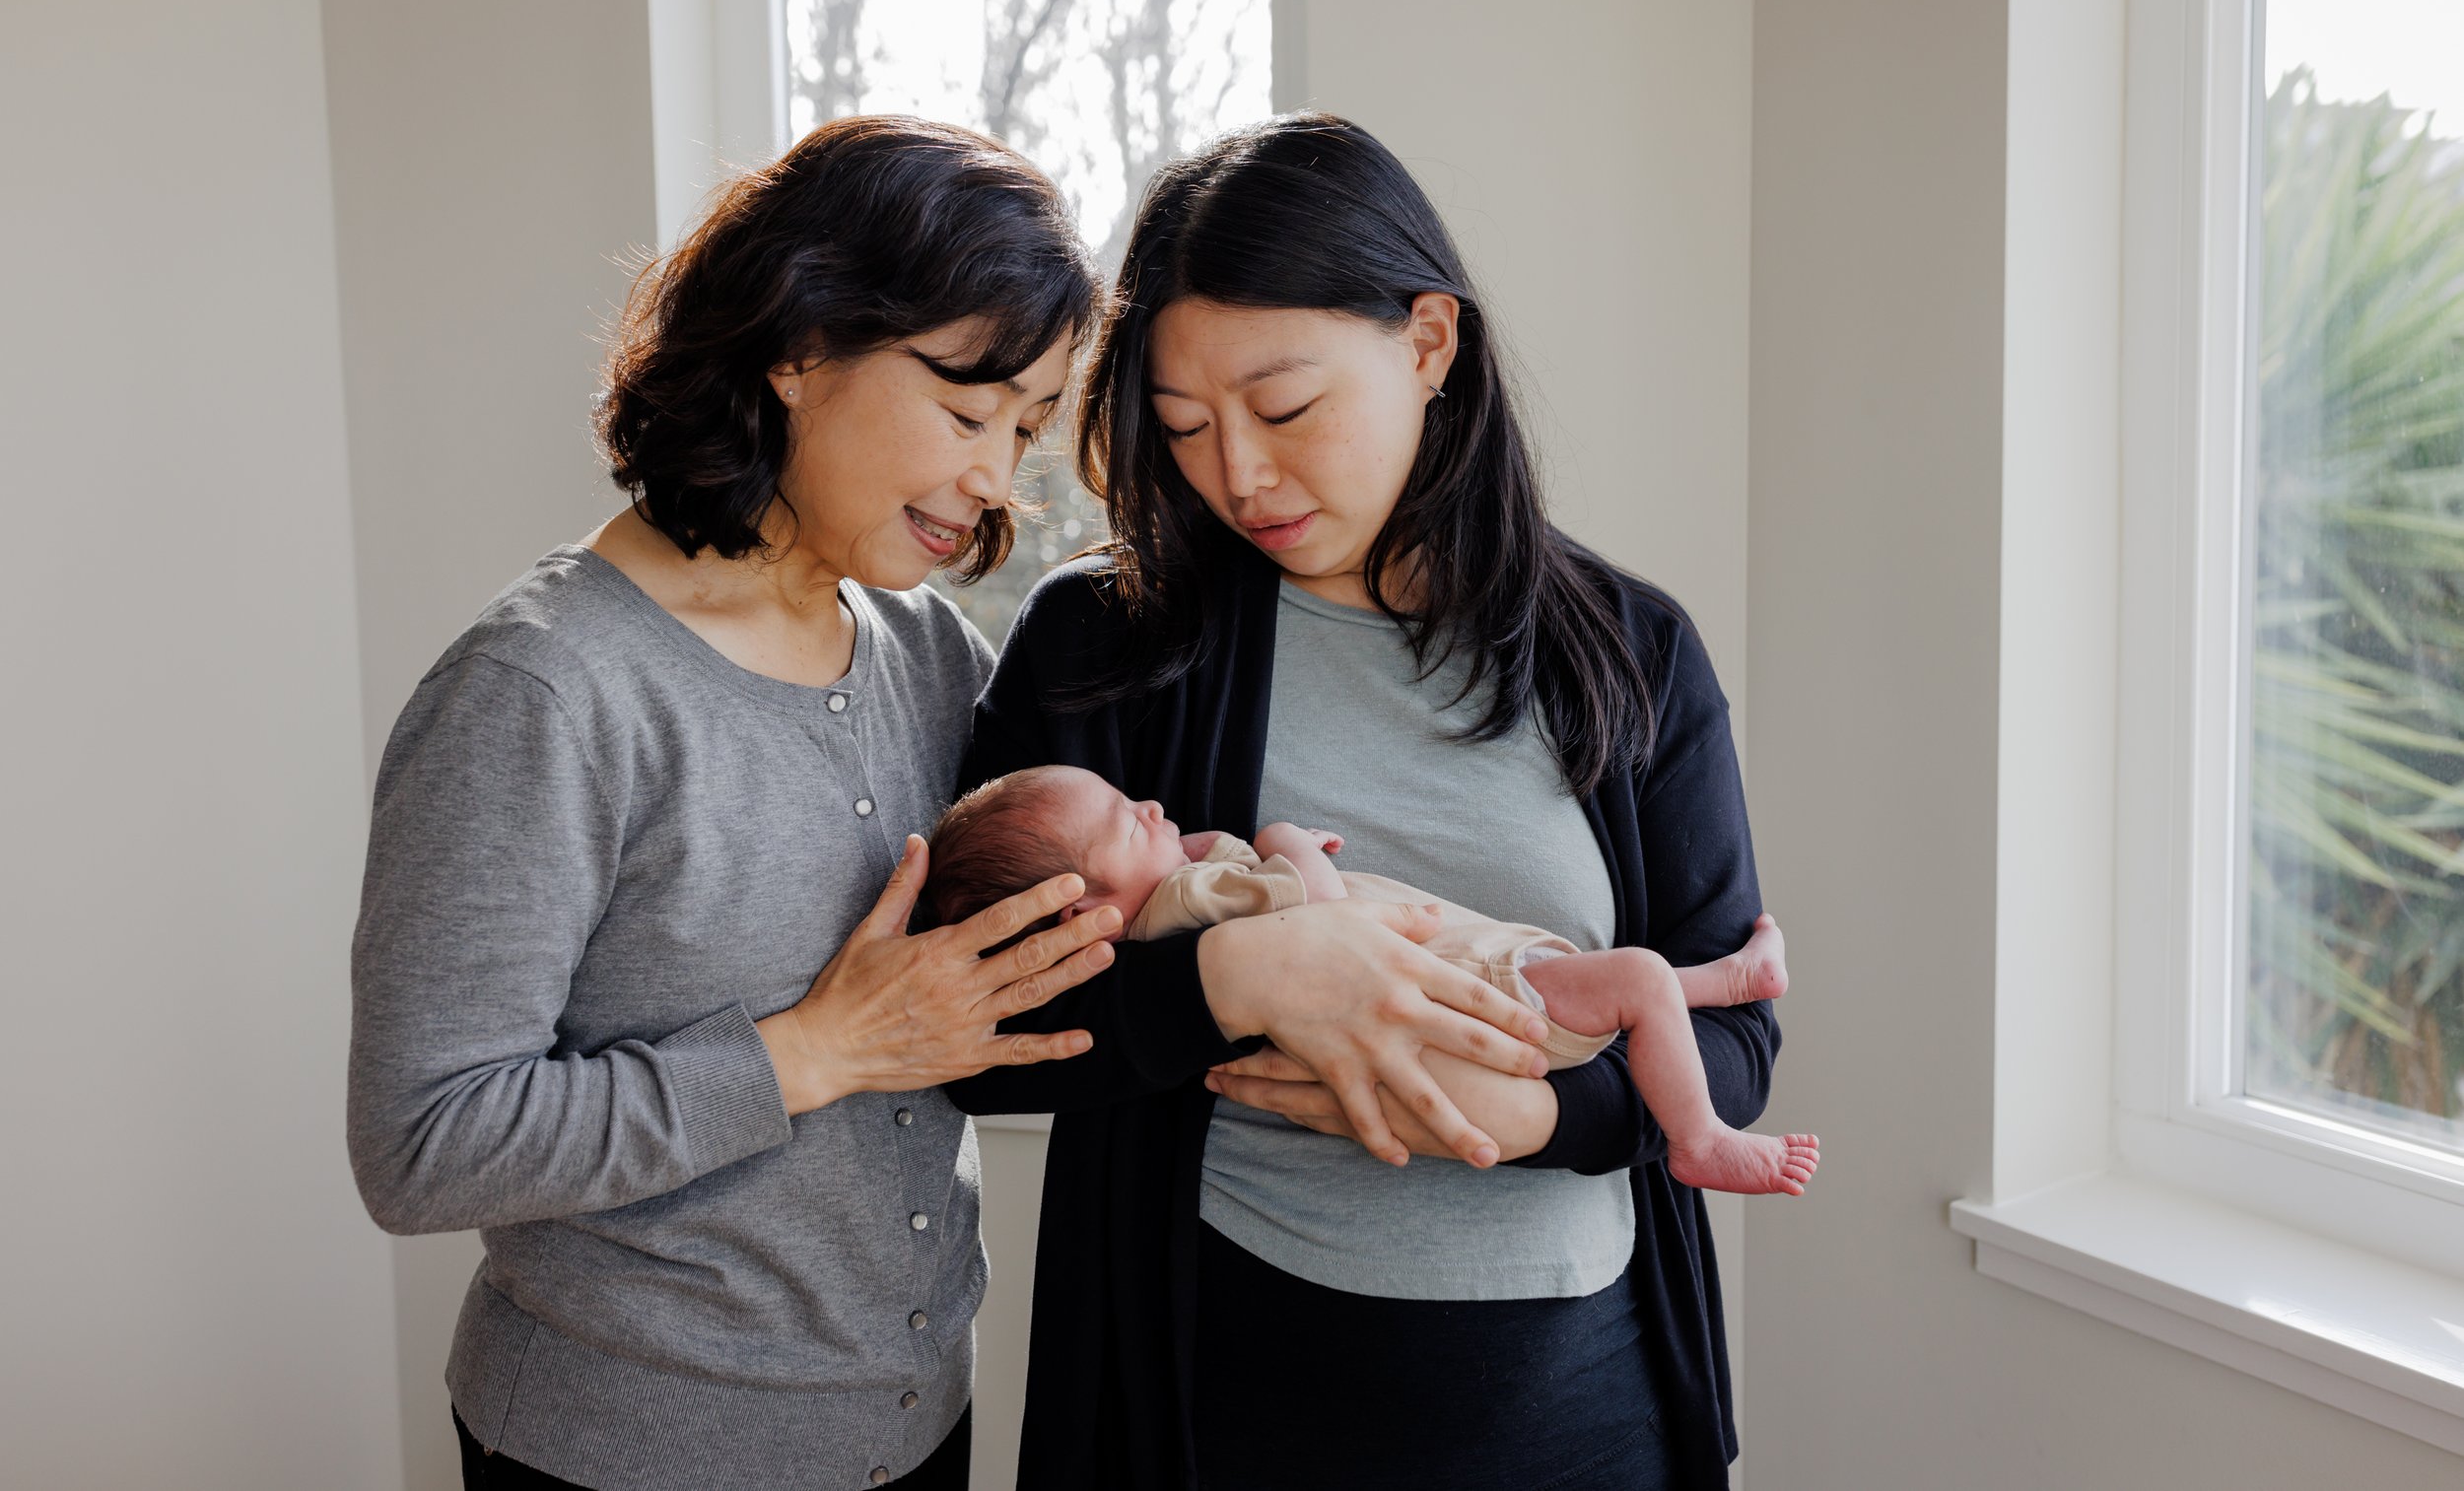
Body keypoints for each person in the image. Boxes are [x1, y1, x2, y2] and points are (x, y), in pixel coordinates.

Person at [943, 112, 1785, 1490]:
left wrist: (1533, 1124)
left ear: (1429, 343)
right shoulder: (1109, 643)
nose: (1239, 475)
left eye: (1284, 409)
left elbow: (1735, 1032)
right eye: (1184, 427)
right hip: (1222, 1403)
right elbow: (974, 1033)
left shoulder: (1631, 652)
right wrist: (1234, 972)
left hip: (1585, 1412)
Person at [346, 115, 1131, 1491]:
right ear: (801, 342)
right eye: (963, 408)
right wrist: (810, 1053)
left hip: (915, 1428)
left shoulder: (933, 658)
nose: (995, 480)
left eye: (1024, 428)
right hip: (625, 1453)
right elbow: (422, 1146)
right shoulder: (542, 691)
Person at [924, 764, 1815, 1197]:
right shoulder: (1191, 895)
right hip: (1473, 989)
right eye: (1127, 822)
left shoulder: (1165, 907)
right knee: (1637, 983)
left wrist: (1544, 1120)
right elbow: (1317, 912)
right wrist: (1285, 837)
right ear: (1086, 916)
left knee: (1628, 989)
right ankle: (1698, 1134)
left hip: (1468, 1003)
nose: (1151, 805)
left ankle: (1724, 980)